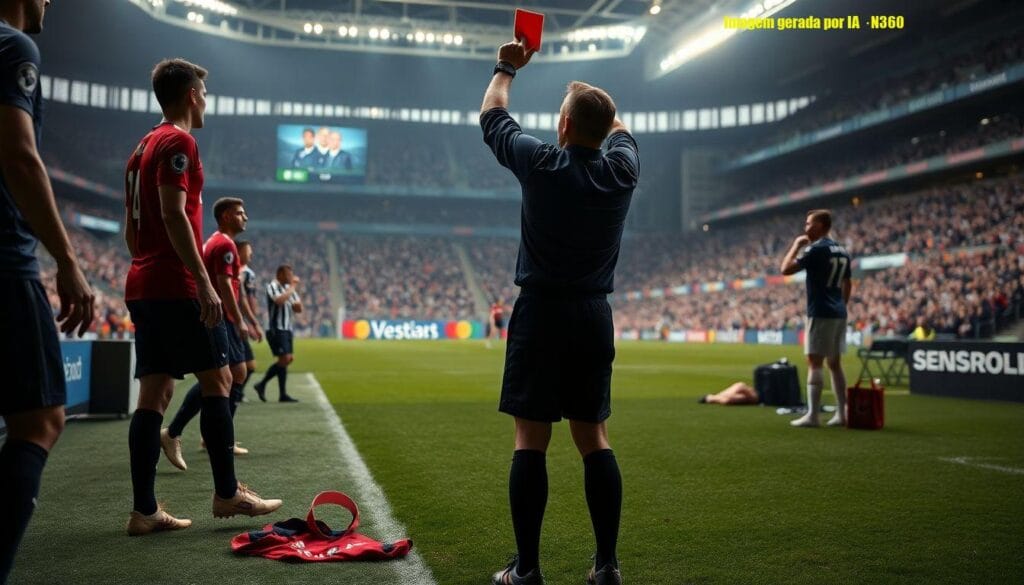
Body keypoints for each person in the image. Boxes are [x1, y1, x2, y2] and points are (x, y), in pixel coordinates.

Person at [480, 39, 639, 585]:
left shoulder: (541, 162)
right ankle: (607, 567)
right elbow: (619, 129)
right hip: (594, 315)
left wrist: (507, 66)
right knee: (594, 438)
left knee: (531, 440)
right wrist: (601, 106)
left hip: (541, 313)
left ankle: (526, 570)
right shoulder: (622, 170)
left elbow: (492, 115)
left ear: (564, 125)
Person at [123, 58, 281, 537]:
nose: (206, 102)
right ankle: (228, 493)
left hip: (143, 281)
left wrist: (147, 262)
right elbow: (174, 214)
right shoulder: (179, 141)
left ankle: (145, 510)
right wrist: (202, 279)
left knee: (155, 392)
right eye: (205, 94)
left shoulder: (141, 146)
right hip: (176, 285)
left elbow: (131, 226)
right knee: (219, 380)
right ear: (192, 95)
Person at [0, 1, 96, 580]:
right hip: (4, 262)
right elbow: (19, 155)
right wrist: (67, 259)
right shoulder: (13, 45)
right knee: (39, 421)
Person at [160, 197, 260, 470]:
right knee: (225, 377)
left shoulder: (215, 242)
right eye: (240, 213)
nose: (245, 218)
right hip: (221, 317)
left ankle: (207, 436)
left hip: (217, 316)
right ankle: (182, 432)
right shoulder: (225, 245)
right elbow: (225, 286)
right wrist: (239, 320)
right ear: (226, 216)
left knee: (231, 375)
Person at [780, 209, 853, 428]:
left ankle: (812, 415)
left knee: (815, 362)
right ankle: (842, 413)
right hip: (838, 312)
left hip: (820, 312)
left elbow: (785, 269)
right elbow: (847, 282)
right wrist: (841, 305)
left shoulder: (815, 249)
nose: (805, 228)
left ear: (820, 225)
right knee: (835, 363)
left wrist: (796, 245)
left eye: (809, 223)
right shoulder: (842, 250)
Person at [253, 265, 302, 402]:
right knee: (285, 359)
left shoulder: (288, 288)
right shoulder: (272, 286)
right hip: (276, 329)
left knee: (287, 359)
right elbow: (279, 301)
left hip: (287, 329)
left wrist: (297, 303)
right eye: (288, 275)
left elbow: (298, 309)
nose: (291, 277)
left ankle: (282, 394)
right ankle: (262, 384)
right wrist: (293, 287)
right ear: (280, 274)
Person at [236, 240, 263, 400]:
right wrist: (253, 324)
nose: (251, 255)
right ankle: (235, 394)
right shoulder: (246, 273)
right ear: (239, 252)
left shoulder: (238, 272)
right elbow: (249, 300)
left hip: (235, 321)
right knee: (248, 365)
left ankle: (235, 393)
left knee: (241, 366)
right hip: (236, 323)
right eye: (248, 251)